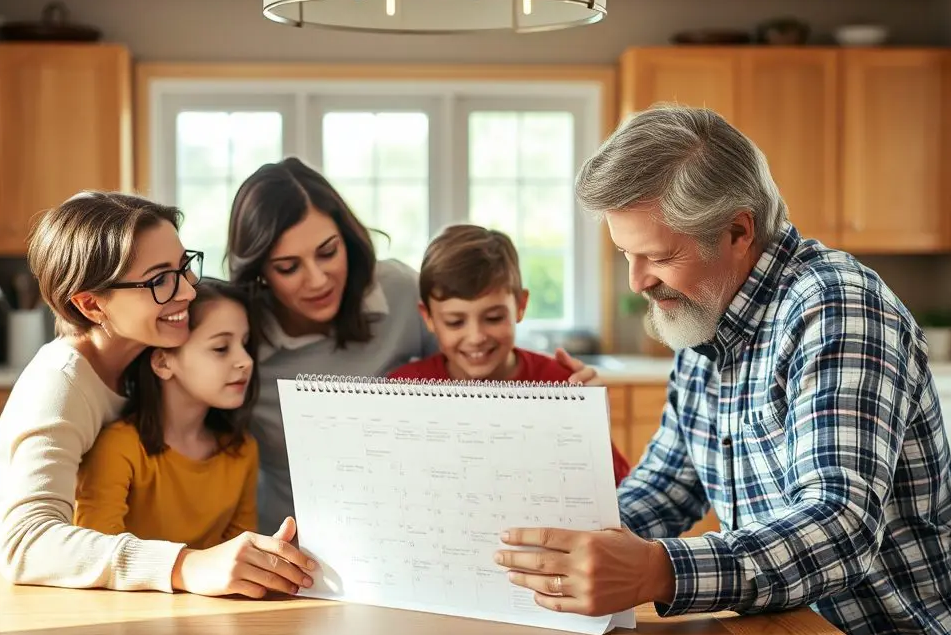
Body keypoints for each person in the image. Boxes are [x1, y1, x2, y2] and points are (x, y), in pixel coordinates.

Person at [492, 104, 951, 635]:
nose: (636, 281)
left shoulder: (835, 308)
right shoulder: (702, 320)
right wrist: (543, 545)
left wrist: (657, 571)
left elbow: (840, 524)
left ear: (737, 230)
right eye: (626, 254)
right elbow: (666, 489)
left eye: (658, 256)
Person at [226, 157, 601, 535]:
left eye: (328, 252)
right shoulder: (236, 337)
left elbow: (466, 367)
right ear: (259, 270)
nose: (318, 279)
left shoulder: (400, 292)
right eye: (288, 267)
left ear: (348, 238)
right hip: (289, 541)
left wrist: (564, 408)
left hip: (414, 531)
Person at [0, 192, 315, 598]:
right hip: (11, 596)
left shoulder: (145, 357)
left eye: (183, 268)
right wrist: (187, 564)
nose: (188, 291)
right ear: (90, 305)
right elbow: (26, 543)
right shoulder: (59, 383)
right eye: (159, 280)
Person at [387, 223, 631, 486]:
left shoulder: (561, 386)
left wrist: (594, 424)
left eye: (493, 318)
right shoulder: (404, 389)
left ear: (520, 305)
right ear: (429, 318)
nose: (476, 337)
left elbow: (618, 489)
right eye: (455, 322)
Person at [75, 279, 267, 582]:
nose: (245, 361)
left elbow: (239, 561)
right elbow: (95, 557)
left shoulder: (242, 450)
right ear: (163, 362)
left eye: (245, 344)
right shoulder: (119, 447)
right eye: (220, 348)